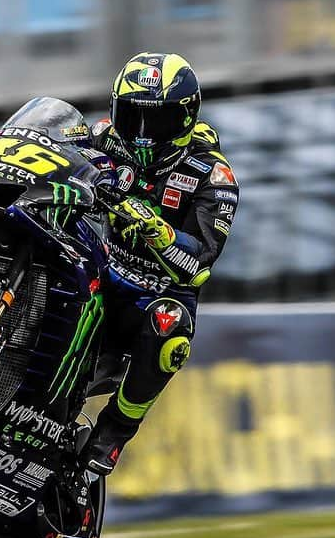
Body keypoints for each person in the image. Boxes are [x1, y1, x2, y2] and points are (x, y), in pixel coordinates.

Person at [81, 52, 239, 475]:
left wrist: (154, 227)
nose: (144, 136)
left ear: (186, 119)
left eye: (160, 122)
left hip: (154, 293)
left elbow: (199, 261)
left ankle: (114, 431)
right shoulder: (101, 135)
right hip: (97, 264)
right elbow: (55, 143)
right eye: (133, 118)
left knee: (172, 329)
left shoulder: (212, 176)